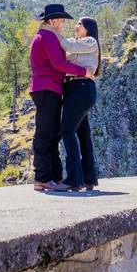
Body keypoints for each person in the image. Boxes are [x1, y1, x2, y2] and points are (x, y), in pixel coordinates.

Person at [28, 4, 93, 192]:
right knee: (45, 134)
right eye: (62, 20)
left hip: (50, 89)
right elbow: (58, 63)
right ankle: (41, 178)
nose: (63, 24)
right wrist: (83, 72)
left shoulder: (47, 36)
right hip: (47, 89)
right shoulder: (47, 36)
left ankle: (53, 177)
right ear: (53, 20)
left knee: (53, 135)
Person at [44, 17, 101, 191]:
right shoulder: (79, 44)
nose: (76, 27)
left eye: (79, 24)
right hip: (74, 89)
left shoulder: (90, 41)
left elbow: (67, 46)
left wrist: (53, 31)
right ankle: (88, 178)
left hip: (81, 88)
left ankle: (73, 179)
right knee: (83, 134)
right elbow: (62, 60)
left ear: (88, 28)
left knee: (67, 131)